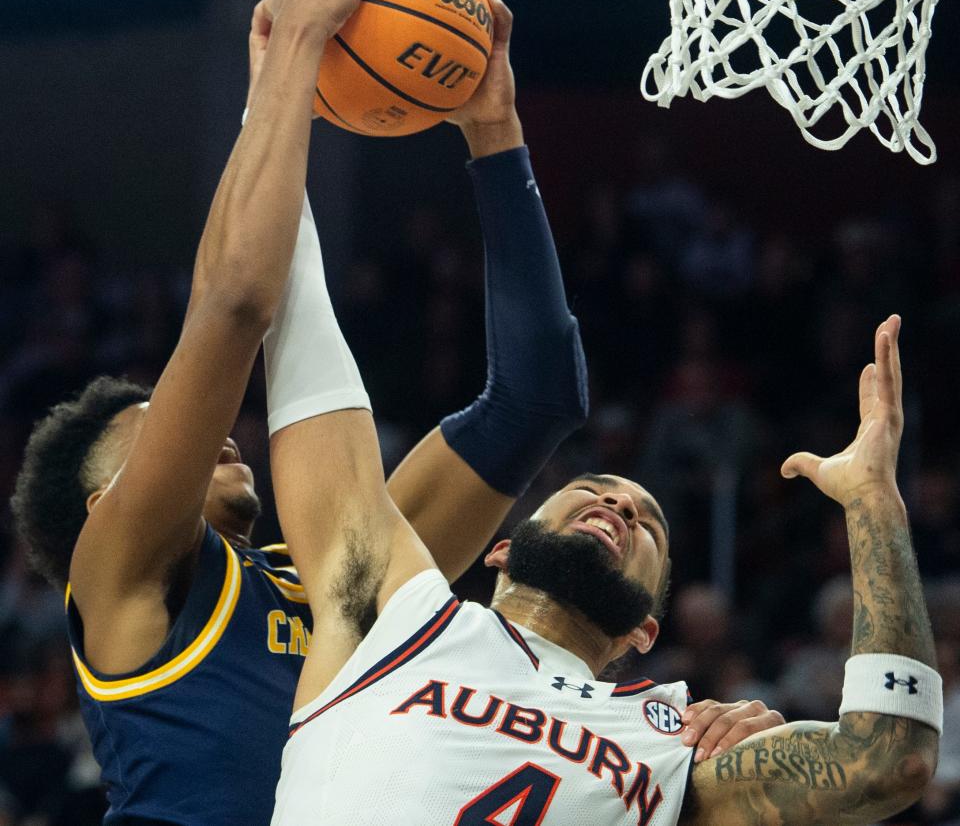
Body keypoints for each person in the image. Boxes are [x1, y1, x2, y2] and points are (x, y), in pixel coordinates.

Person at [9, 0, 773, 826]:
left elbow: (535, 399)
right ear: (106, 510)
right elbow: (240, 305)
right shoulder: (125, 581)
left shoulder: (351, 565)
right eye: (161, 437)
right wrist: (290, 51)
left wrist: (495, 131)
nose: (212, 432)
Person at [267, 235, 941, 826]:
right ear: (501, 550)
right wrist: (272, 102)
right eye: (589, 491)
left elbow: (887, 762)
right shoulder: (400, 615)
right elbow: (299, 324)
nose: (619, 507)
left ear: (645, 628)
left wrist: (874, 503)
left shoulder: (678, 750)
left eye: (647, 523)